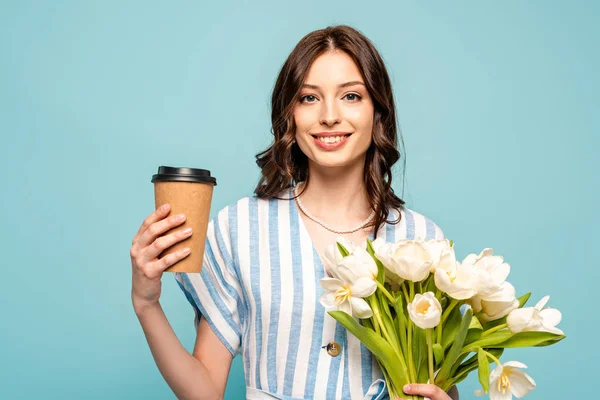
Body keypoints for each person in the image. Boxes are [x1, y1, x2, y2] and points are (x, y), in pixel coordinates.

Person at [130, 25, 458, 400]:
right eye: (308, 98)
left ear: (377, 112)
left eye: (351, 96)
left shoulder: (422, 243)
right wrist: (146, 304)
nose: (329, 116)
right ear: (290, 114)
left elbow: (439, 382)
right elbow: (203, 390)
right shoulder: (238, 228)